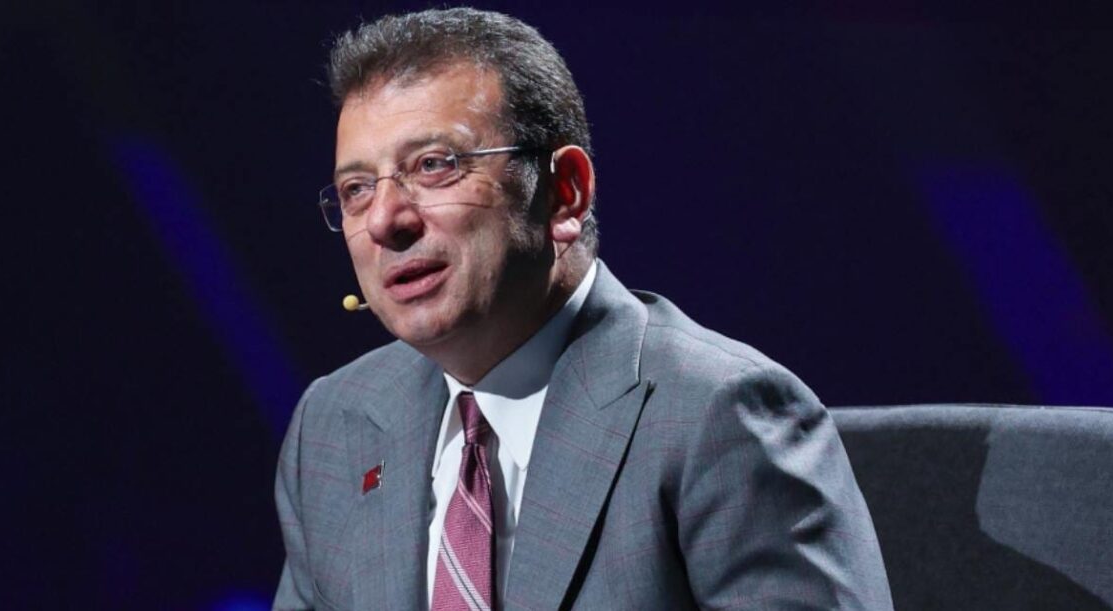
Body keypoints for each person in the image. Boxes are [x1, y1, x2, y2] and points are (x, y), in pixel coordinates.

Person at [275, 8, 892, 610]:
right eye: (357, 190)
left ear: (565, 193)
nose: (384, 220)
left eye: (434, 165)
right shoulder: (333, 427)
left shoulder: (716, 417)